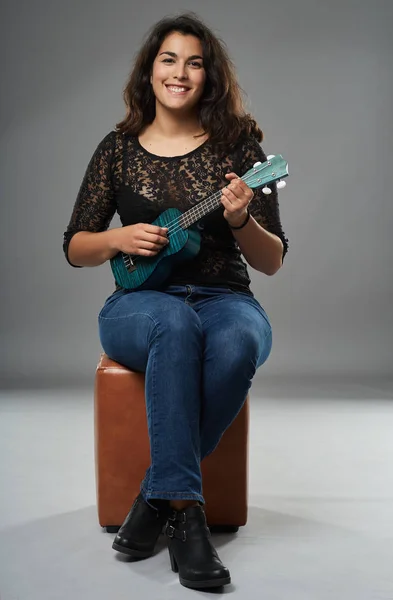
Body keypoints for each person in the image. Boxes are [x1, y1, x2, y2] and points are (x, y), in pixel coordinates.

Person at [63, 12, 288, 591]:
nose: (181, 73)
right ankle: (189, 520)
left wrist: (240, 218)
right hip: (140, 305)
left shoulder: (241, 147)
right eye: (169, 59)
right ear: (150, 70)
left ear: (209, 76)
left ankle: (156, 496)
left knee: (239, 340)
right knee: (173, 321)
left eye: (195, 61)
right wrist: (118, 237)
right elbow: (76, 247)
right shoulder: (117, 148)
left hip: (224, 296)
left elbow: (270, 260)